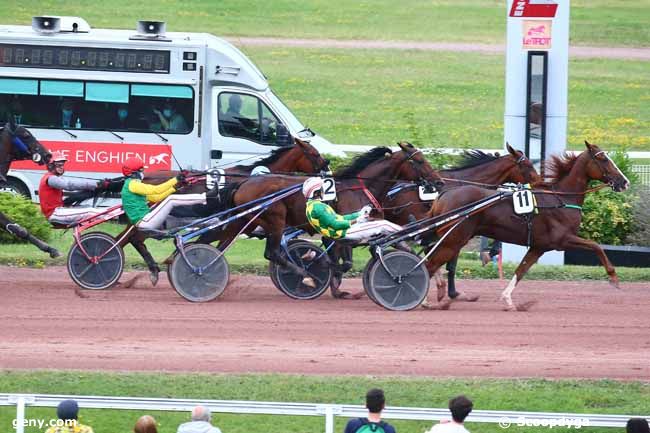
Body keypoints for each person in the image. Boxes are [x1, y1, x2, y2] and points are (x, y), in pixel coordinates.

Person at [120, 157, 205, 237]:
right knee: (171, 200)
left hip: (146, 220)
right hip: (144, 222)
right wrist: (176, 179)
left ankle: (208, 221)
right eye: (141, 170)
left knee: (181, 218)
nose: (143, 173)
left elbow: (156, 198)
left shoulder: (131, 185)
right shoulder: (133, 184)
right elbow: (157, 189)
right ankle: (205, 197)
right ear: (134, 173)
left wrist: (175, 188)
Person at [303, 177, 402, 242]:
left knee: (378, 223)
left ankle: (399, 237)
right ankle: (407, 233)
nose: (323, 191)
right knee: (383, 224)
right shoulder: (318, 208)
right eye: (321, 189)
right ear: (316, 193)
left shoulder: (313, 206)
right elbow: (335, 225)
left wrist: (359, 214)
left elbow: (340, 218)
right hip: (344, 233)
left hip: (343, 231)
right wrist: (356, 221)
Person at [39, 151, 109, 226]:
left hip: (58, 211)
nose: (61, 167)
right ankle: (113, 215)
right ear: (51, 165)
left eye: (62, 164)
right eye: (58, 164)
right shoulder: (51, 178)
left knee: (88, 207)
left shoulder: (53, 177)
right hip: (54, 214)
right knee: (90, 212)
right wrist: (96, 184)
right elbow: (69, 185)